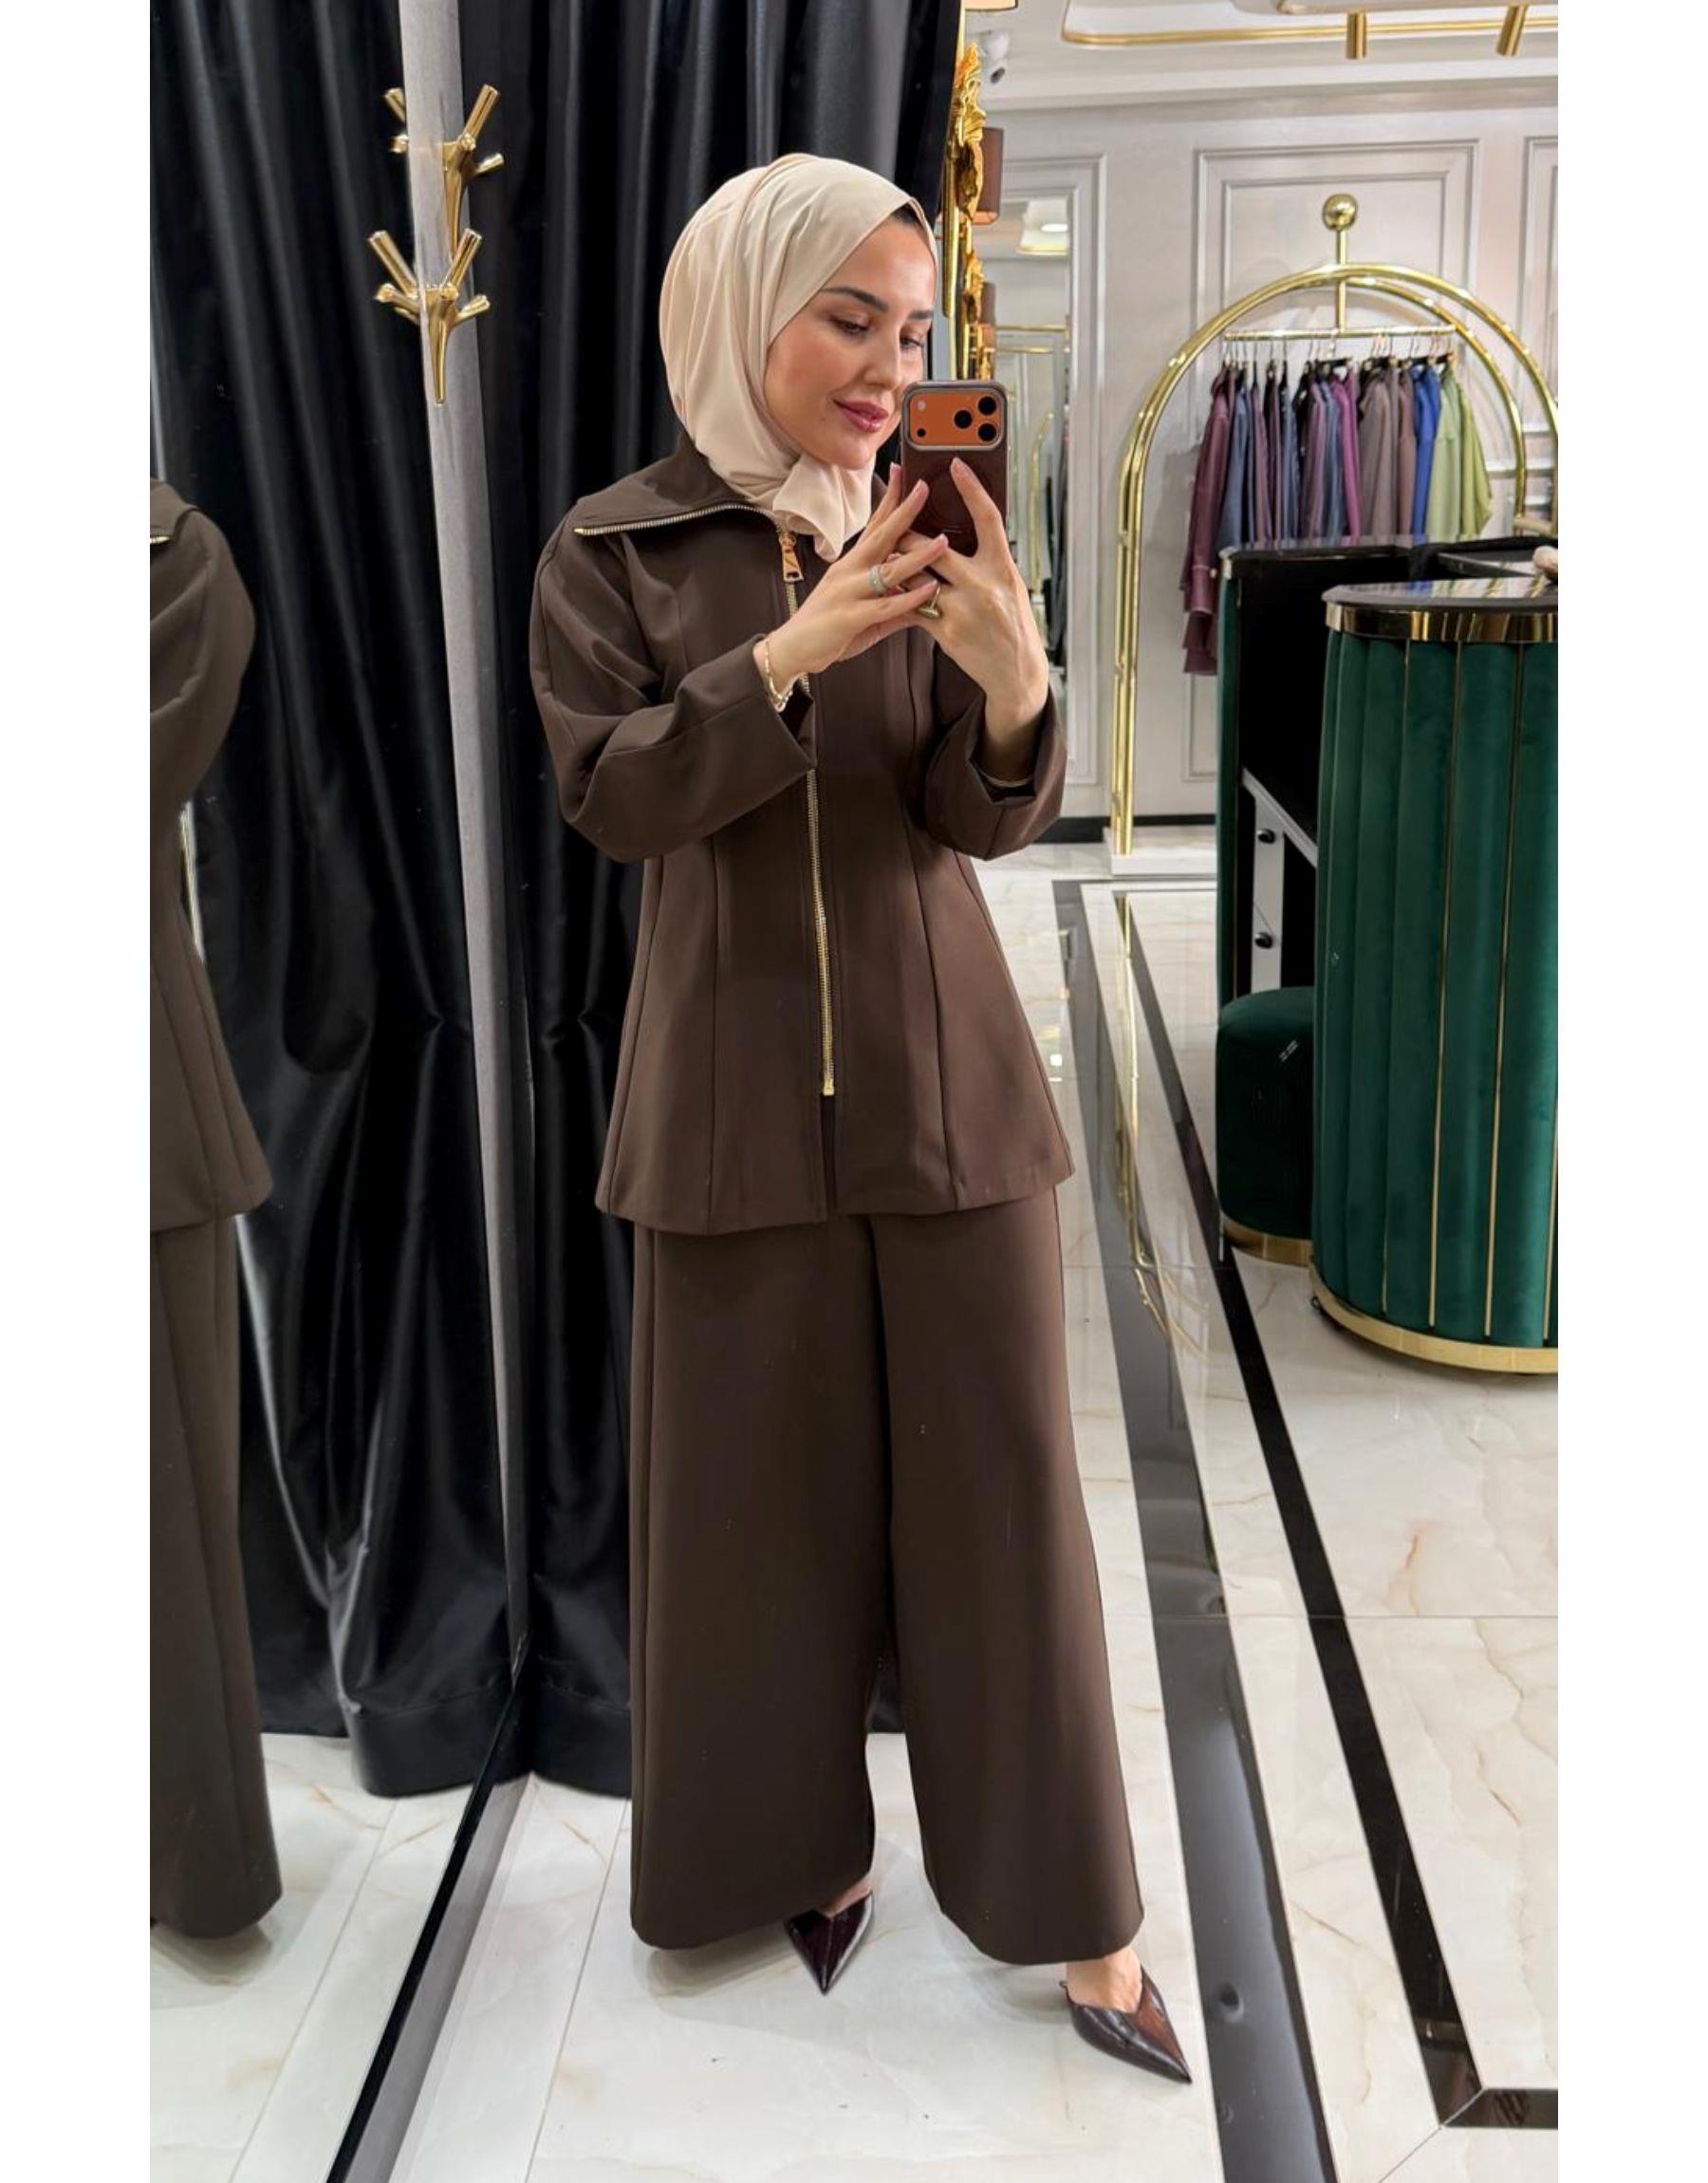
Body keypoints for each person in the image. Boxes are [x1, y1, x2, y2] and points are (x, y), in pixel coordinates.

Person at [529, 152, 1190, 2085]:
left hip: (949, 1095)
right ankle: (793, 1854)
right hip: (725, 1110)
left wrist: (1017, 689)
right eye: (850, 320)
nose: (893, 369)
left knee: (1007, 1520)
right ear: (746, 310)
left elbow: (977, 817)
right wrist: (792, 654)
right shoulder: (615, 552)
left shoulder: (932, 525)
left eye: (912, 330)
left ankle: (1082, 1914)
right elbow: (615, 800)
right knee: (751, 1528)